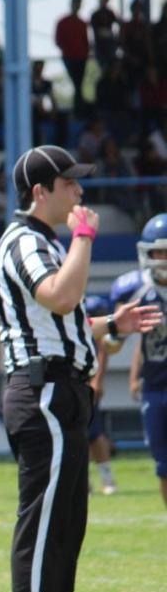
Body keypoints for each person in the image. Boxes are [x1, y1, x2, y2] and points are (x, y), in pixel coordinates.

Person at [0, 144, 161, 592]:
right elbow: (59, 297)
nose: (79, 192)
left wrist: (112, 324)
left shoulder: (43, 242)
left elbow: (60, 322)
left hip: (60, 388)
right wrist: (83, 237)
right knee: (45, 520)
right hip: (42, 390)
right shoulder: (25, 240)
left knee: (67, 521)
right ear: (39, 191)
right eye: (69, 183)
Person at [109, 214, 167, 509]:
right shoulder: (135, 290)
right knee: (163, 464)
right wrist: (115, 335)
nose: (164, 259)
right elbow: (117, 344)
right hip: (155, 385)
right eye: (160, 252)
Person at [83, 295, 118, 495]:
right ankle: (84, 481)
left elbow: (103, 347)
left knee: (94, 432)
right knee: (75, 434)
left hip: (87, 378)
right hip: (69, 377)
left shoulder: (93, 304)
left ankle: (107, 477)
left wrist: (98, 379)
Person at [56, 0, 90, 115]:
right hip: (70, 57)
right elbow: (58, 40)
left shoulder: (82, 23)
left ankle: (79, 109)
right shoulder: (63, 22)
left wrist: (85, 53)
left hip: (81, 57)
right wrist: (67, 51)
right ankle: (79, 110)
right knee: (77, 83)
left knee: (78, 83)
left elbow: (86, 41)